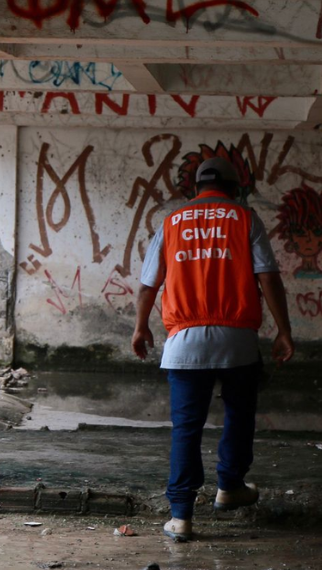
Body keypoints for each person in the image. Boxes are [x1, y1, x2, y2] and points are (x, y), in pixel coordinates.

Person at [131, 157, 295, 542]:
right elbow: (268, 278)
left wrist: (140, 328)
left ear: (195, 189)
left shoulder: (171, 223)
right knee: (239, 414)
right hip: (237, 339)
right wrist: (284, 331)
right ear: (234, 187)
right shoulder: (245, 218)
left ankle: (182, 516)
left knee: (186, 429)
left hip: (184, 342)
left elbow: (148, 285)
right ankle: (230, 486)